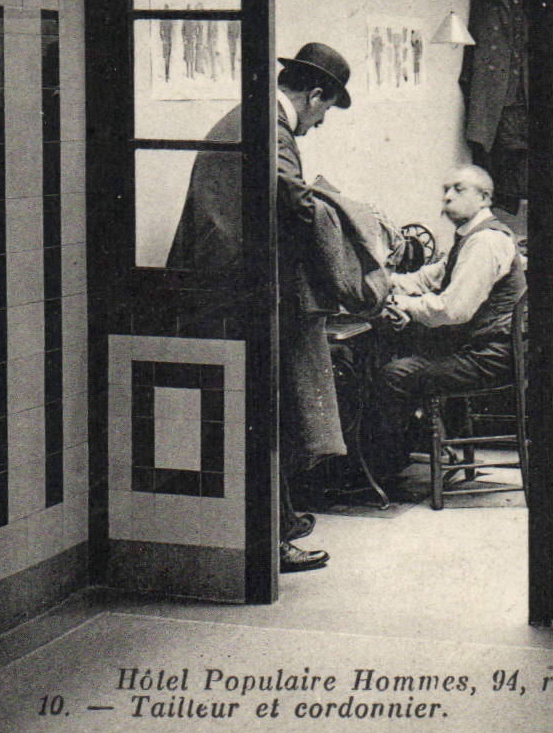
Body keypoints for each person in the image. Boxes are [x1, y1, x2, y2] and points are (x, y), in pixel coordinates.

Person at [167, 41, 353, 573]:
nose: (319, 125)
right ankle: (270, 540)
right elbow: (293, 204)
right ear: (315, 96)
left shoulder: (247, 115)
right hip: (237, 297)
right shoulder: (272, 131)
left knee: (260, 413)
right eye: (325, 113)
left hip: (217, 288)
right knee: (266, 416)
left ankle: (282, 518)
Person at [378, 164, 526, 416]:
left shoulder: (485, 241)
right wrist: (382, 282)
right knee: (396, 345)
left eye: (458, 190)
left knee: (393, 375)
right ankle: (419, 438)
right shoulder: (470, 236)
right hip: (482, 347)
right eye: (446, 190)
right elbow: (428, 278)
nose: (447, 197)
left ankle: (390, 455)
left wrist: (400, 303)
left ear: (483, 198)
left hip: (491, 356)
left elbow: (452, 311)